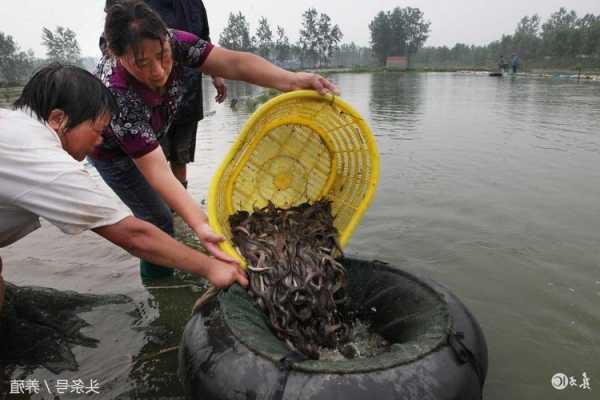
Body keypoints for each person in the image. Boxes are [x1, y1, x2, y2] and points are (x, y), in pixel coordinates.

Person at [90, 0, 339, 278]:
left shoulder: (175, 41)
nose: (159, 71)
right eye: (142, 64)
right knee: (157, 219)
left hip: (150, 129)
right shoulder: (118, 92)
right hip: (111, 152)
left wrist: (292, 80)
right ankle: (159, 287)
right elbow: (156, 170)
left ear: (166, 38)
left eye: (162, 55)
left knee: (168, 207)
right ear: (117, 55)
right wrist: (202, 224)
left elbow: (234, 62)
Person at [0, 64, 248, 313]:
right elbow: (133, 235)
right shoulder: (44, 161)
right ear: (57, 119)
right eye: (97, 130)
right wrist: (210, 267)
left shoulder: (11, 125)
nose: (98, 141)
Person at [144, 0, 226, 189]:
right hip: (153, 96)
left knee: (181, 156)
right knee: (155, 156)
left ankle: (180, 211)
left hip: (188, 91)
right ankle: (160, 211)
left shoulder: (195, 4)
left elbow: (204, 41)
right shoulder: (143, 5)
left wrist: (216, 73)